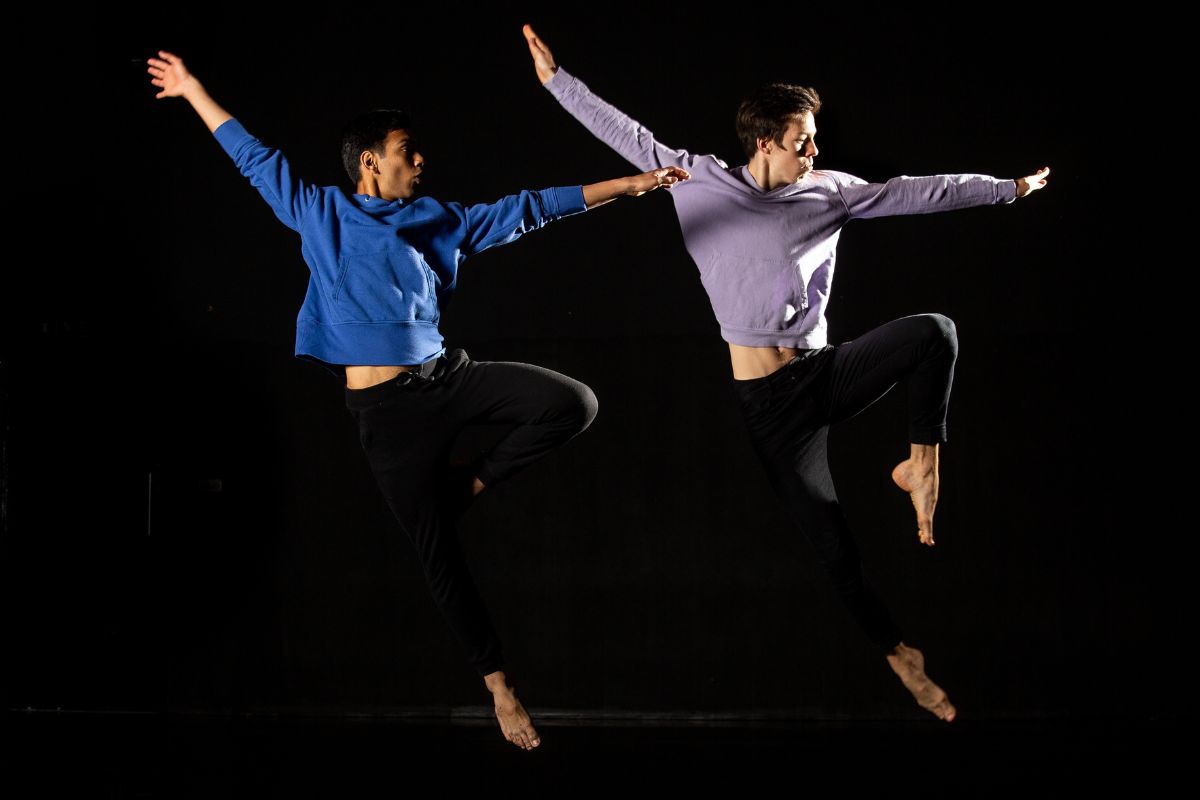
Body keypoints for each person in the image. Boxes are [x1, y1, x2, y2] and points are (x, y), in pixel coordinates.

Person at [146, 50, 688, 750]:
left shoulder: (437, 219)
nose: (420, 160)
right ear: (370, 163)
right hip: (386, 419)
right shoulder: (321, 212)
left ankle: (472, 482)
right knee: (440, 559)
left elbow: (529, 209)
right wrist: (192, 89)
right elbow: (253, 156)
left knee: (573, 403)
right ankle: (501, 689)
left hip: (445, 379)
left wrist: (632, 183)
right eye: (407, 152)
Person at [522, 24, 1049, 722]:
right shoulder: (693, 179)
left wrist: (1005, 190)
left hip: (823, 371)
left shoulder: (830, 191)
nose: (816, 150)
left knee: (935, 334)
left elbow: (918, 192)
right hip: (770, 408)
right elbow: (623, 131)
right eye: (804, 139)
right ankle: (901, 658)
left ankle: (922, 465)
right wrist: (558, 82)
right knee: (833, 548)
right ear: (765, 143)